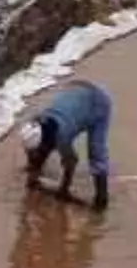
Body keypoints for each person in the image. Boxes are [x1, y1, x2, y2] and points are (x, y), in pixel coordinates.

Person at [22, 81, 113, 210]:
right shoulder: (34, 125)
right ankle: (37, 172)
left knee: (96, 151)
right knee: (38, 153)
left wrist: (64, 189)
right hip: (76, 91)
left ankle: (102, 198)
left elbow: (72, 161)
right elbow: (33, 150)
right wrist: (33, 173)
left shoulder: (61, 135)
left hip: (98, 102)